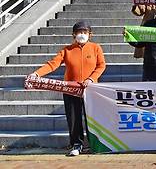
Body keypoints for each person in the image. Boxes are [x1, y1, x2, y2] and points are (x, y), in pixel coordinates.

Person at [28, 21, 106, 156]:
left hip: (90, 88)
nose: (82, 35)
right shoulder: (67, 50)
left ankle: (94, 143)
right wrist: (36, 74)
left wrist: (91, 79)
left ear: (90, 34)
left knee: (91, 118)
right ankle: (77, 144)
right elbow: (53, 64)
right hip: (71, 89)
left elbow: (101, 66)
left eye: (84, 32)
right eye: (79, 32)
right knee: (74, 118)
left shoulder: (95, 48)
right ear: (73, 35)